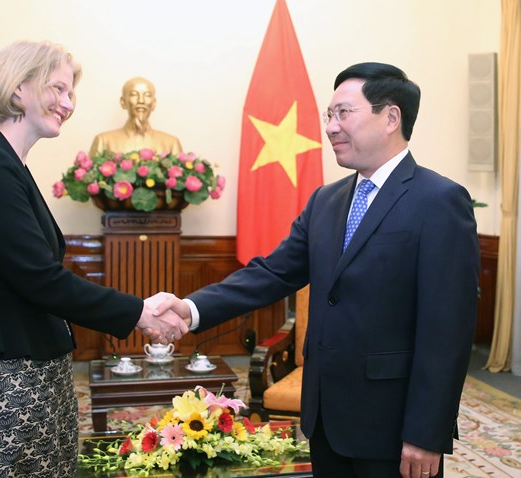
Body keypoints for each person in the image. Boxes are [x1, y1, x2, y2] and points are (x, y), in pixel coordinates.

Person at [154, 62, 480, 478]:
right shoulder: (326, 200)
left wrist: (426, 433)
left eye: (344, 113)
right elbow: (272, 273)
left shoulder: (439, 200)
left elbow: (447, 331)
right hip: (325, 417)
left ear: (391, 117)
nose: (330, 127)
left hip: (393, 426)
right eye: (329, 114)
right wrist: (190, 308)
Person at [0, 41, 187, 477]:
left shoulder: (8, 166)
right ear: (17, 89)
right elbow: (39, 279)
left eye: (72, 94)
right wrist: (139, 312)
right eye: (58, 89)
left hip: (31, 370)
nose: (68, 104)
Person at [89, 76, 183, 156]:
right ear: (123, 102)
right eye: (134, 94)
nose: (141, 100)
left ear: (154, 103)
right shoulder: (104, 141)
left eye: (147, 95)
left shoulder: (171, 143)